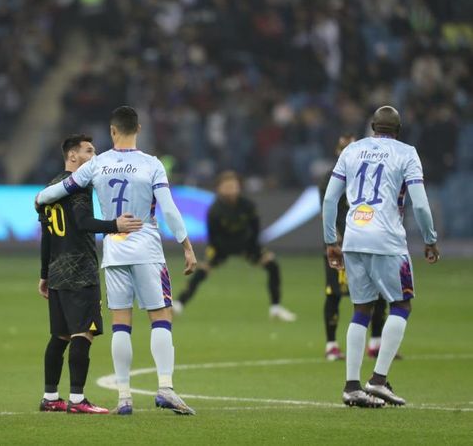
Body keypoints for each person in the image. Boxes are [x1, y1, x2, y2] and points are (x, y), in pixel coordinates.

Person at [36, 106, 198, 415]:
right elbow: (169, 209)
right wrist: (186, 246)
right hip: (147, 249)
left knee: (121, 324)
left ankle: (124, 397)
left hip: (114, 251)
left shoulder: (98, 164)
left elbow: (60, 189)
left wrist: (40, 199)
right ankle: (165, 387)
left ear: (112, 132)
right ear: (138, 129)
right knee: (161, 317)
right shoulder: (152, 164)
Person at [322, 106, 439, 408]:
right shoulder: (407, 153)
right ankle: (377, 381)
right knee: (401, 304)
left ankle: (351, 387)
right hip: (387, 240)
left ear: (372, 126)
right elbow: (422, 206)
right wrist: (429, 239)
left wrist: (330, 242)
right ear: (398, 130)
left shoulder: (351, 150)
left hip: (353, 238)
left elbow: (330, 199)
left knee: (361, 310)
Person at [38, 134, 144, 414]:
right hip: (80, 271)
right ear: (73, 156)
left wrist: (44, 274)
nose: (94, 155)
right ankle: (77, 400)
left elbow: (46, 236)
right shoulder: (78, 188)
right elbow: (84, 222)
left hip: (58, 271)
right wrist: (116, 224)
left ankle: (50, 398)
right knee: (82, 334)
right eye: (88, 150)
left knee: (59, 337)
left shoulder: (51, 188)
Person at [172, 171, 297, 322]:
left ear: (239, 187)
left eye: (233, 186)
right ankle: (179, 303)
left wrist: (254, 249)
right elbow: (213, 237)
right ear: (219, 189)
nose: (231, 190)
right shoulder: (215, 210)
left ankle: (275, 308)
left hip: (245, 244)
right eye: (227, 187)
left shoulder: (248, 205)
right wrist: (217, 254)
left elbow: (255, 228)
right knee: (200, 270)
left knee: (272, 265)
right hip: (221, 246)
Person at [320, 136, 389, 361]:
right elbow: (328, 209)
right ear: (337, 151)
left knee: (378, 292)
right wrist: (334, 239)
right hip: (341, 245)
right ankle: (331, 344)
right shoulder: (330, 179)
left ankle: (376, 343)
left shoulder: (370, 177)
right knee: (335, 293)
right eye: (344, 148)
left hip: (366, 243)